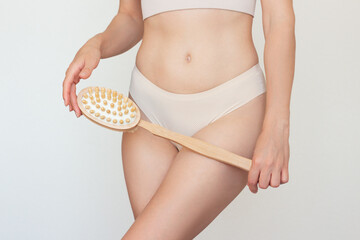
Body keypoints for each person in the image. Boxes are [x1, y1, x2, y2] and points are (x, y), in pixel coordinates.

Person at [62, 0, 295, 238]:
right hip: (146, 113)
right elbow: (130, 17)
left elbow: (279, 20)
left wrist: (278, 127)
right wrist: (97, 44)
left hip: (232, 108)